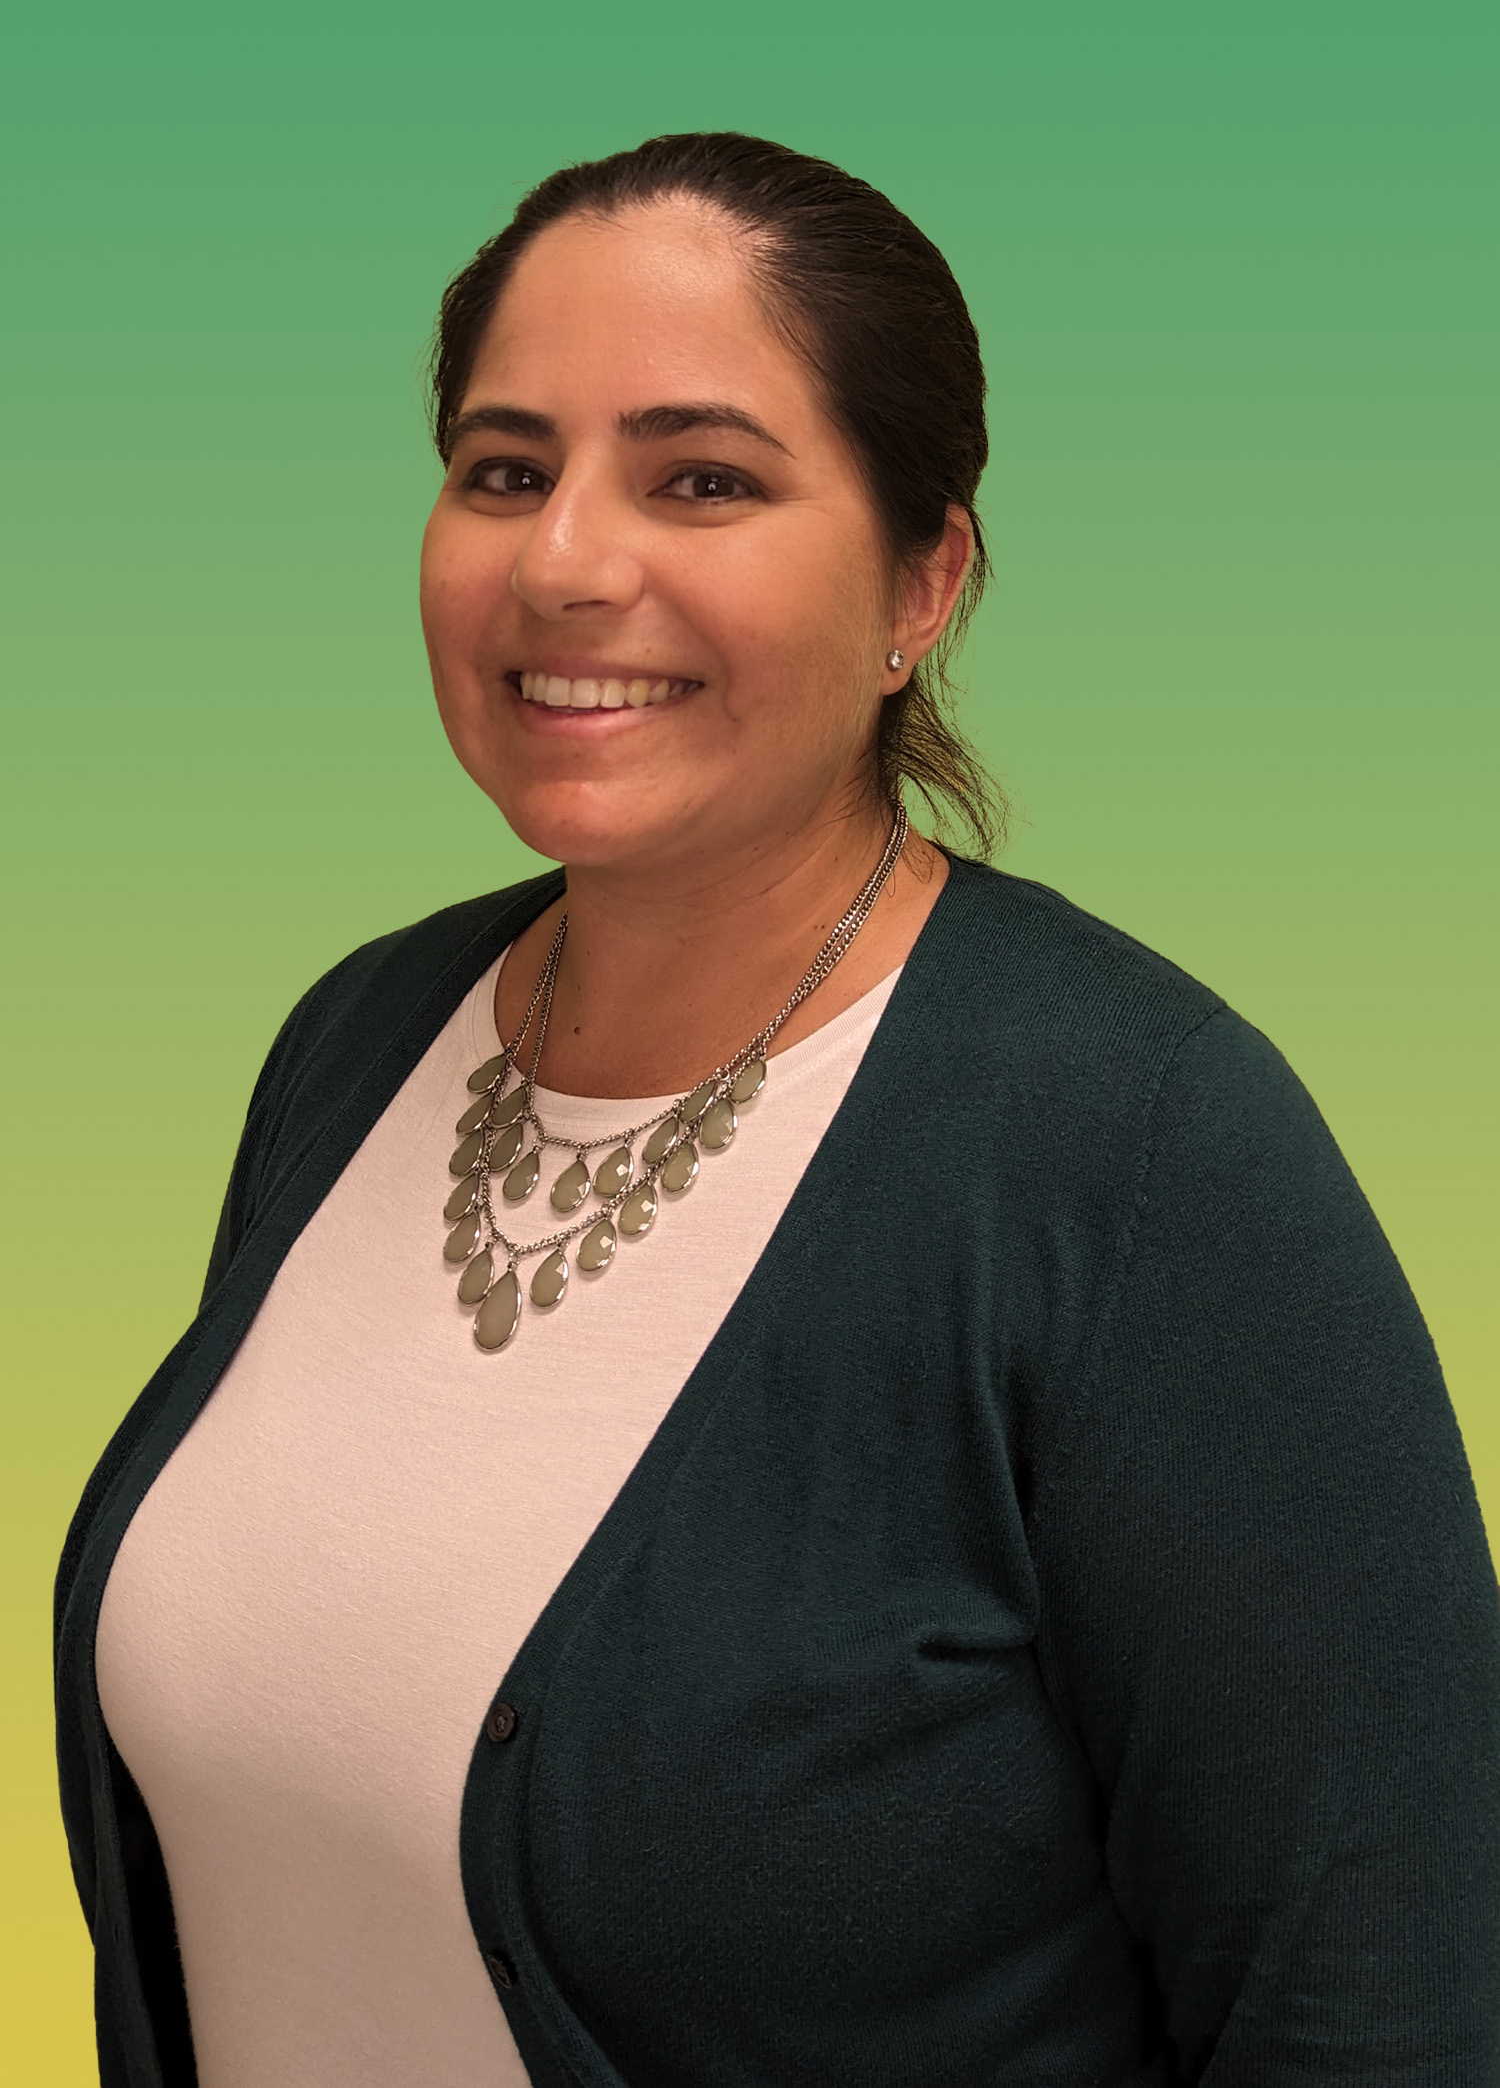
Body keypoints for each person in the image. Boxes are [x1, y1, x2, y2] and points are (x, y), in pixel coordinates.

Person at [55, 131, 1500, 2088]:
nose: (564, 561)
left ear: (927, 578)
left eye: (703, 478)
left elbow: (1384, 1998)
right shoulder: (357, 1044)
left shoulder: (1141, 1153)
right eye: (503, 469)